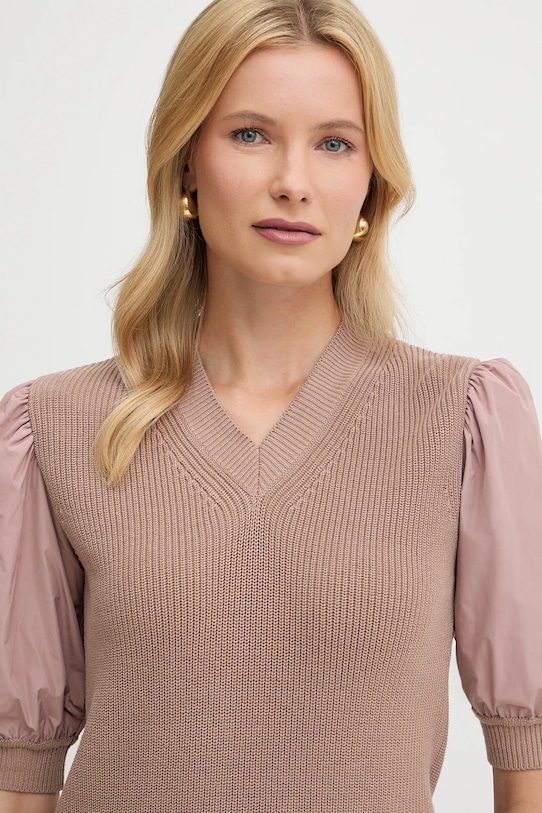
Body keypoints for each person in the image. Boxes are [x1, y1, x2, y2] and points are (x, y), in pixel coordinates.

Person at [0, 0, 541, 810]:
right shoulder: (56, 426)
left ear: (372, 178)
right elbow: (21, 774)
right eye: (251, 134)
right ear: (187, 161)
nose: (293, 182)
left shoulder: (464, 420)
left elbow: (528, 761)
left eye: (335, 143)